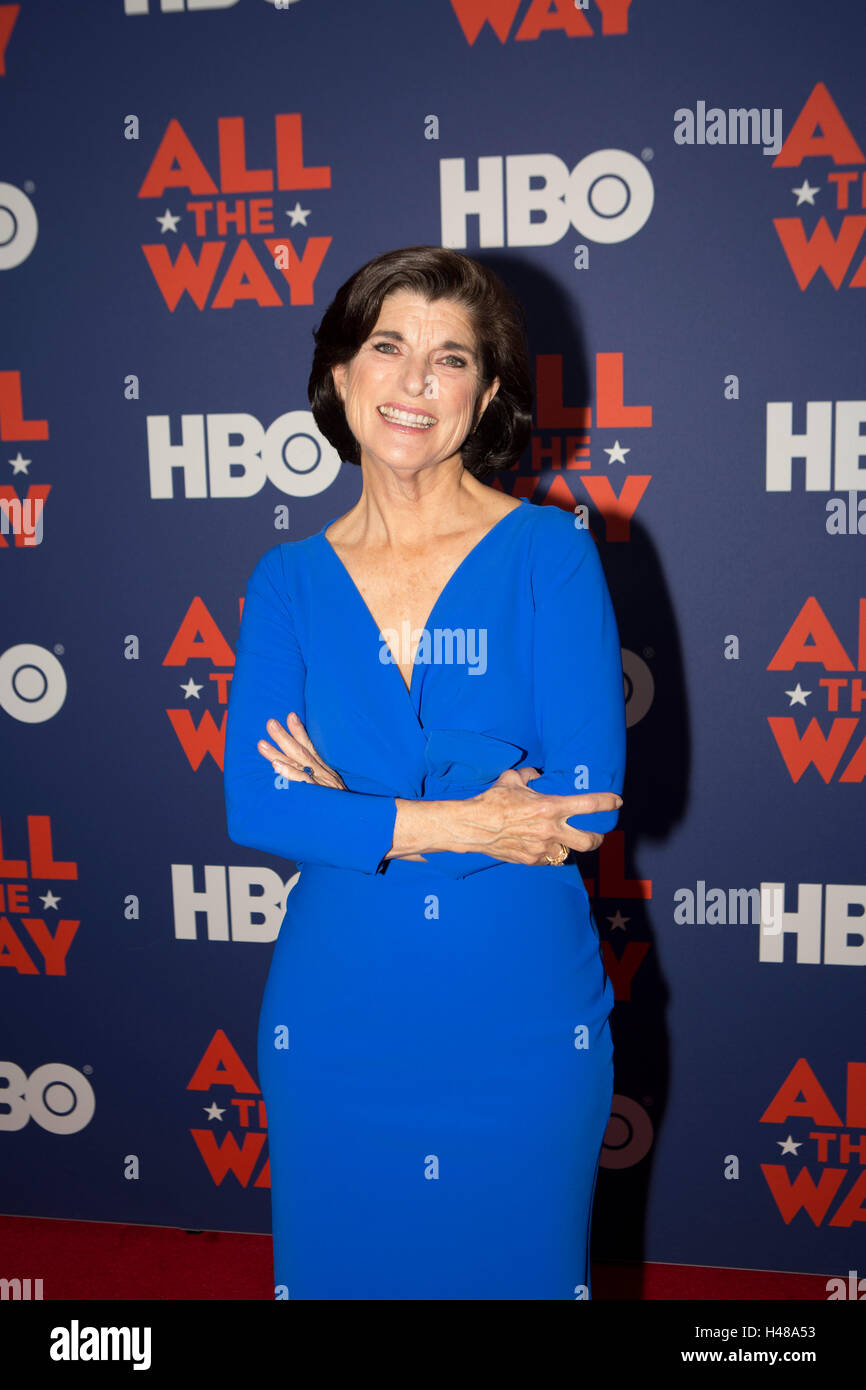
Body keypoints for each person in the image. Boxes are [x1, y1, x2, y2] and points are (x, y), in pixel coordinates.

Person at [223, 245, 626, 1300]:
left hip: (520, 1010)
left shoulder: (549, 553)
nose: (412, 382)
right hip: (338, 1015)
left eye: (449, 359)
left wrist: (353, 810)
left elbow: (580, 806)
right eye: (386, 347)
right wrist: (468, 814)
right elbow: (256, 801)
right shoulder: (288, 582)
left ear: (485, 393)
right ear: (339, 376)